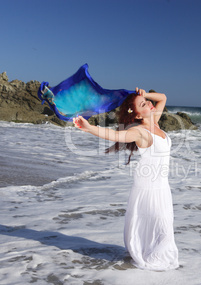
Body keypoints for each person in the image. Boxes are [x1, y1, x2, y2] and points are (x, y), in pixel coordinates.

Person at [73, 88, 179, 271]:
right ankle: (157, 267)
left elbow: (162, 97)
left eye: (146, 101)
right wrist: (89, 128)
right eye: (143, 104)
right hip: (149, 187)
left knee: (164, 224)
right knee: (162, 226)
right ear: (137, 115)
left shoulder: (155, 122)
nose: (148, 103)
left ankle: (154, 257)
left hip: (162, 186)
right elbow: (114, 135)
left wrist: (143, 95)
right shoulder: (139, 131)